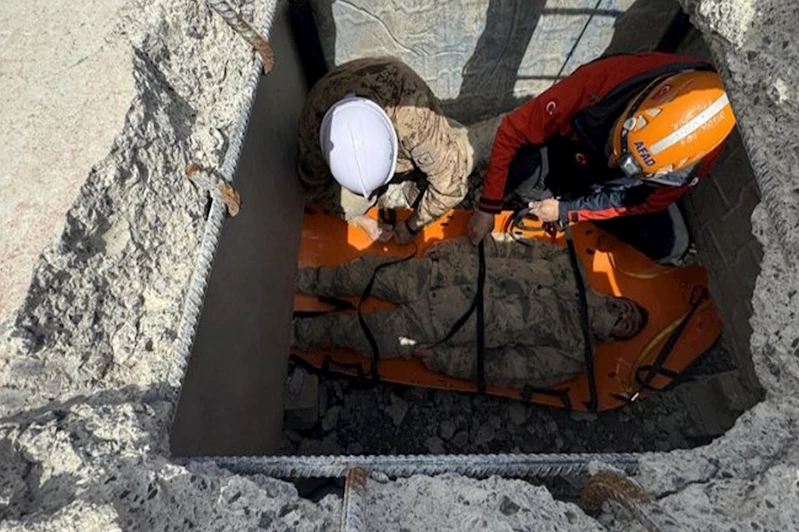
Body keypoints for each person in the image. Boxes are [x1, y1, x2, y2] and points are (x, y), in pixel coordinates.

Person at [468, 52, 737, 264]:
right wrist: (488, 205)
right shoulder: (602, 82)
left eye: (628, 165)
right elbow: (512, 130)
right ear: (633, 108)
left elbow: (639, 203)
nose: (612, 163)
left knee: (671, 246)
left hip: (617, 190)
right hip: (574, 155)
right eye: (616, 148)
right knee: (522, 175)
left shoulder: (690, 168)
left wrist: (567, 211)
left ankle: (583, 204)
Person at [292, 237, 645, 389]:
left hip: (444, 326)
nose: (628, 317)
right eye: (632, 311)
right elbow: (507, 246)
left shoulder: (575, 353)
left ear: (618, 336)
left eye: (631, 327)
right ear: (622, 298)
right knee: (360, 272)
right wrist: (455, 248)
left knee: (355, 335)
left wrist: (445, 361)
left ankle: (289, 336)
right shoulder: (570, 267)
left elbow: (508, 368)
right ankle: (295, 280)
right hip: (440, 274)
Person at [297, 57, 474, 245]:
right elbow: (314, 186)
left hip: (414, 130)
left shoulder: (415, 116)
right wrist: (359, 220)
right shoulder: (314, 121)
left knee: (462, 158)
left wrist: (413, 225)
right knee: (349, 205)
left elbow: (452, 186)